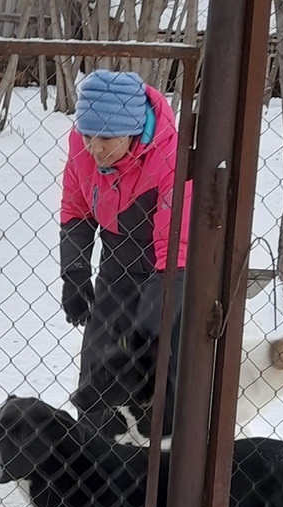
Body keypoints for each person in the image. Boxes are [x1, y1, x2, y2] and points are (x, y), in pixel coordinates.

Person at [59, 68, 189, 421]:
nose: (94, 147)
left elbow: (175, 242)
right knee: (99, 360)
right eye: (88, 134)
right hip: (116, 258)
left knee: (151, 365)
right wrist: (74, 272)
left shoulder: (169, 158)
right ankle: (91, 452)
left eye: (106, 138)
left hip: (162, 267)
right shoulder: (83, 148)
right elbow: (76, 209)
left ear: (133, 132)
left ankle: (151, 458)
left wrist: (151, 321)